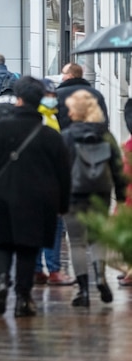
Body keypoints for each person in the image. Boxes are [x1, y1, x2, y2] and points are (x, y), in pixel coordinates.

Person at [0, 77, 71, 317]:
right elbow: (64, 174)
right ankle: (23, 298)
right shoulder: (51, 136)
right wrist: (63, 205)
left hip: (1, 196)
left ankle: (0, 280)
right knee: (29, 248)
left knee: (1, 243)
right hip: (39, 201)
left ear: (18, 99)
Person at [61, 90, 126, 307]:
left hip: (74, 194)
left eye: (70, 108)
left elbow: (60, 169)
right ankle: (100, 278)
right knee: (97, 238)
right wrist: (122, 194)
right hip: (101, 192)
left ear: (76, 112)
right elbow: (117, 167)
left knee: (77, 242)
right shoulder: (106, 135)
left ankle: (83, 290)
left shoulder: (68, 136)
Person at [33, 79, 75, 286]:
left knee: (50, 226)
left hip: (49, 180)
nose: (53, 100)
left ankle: (44, 269)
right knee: (51, 226)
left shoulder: (52, 117)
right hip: (42, 180)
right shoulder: (40, 118)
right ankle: (48, 269)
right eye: (49, 96)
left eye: (53, 96)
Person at [56, 62, 108, 129]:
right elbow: (103, 119)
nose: (61, 76)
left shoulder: (58, 94)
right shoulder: (96, 94)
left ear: (70, 75)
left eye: (63, 73)